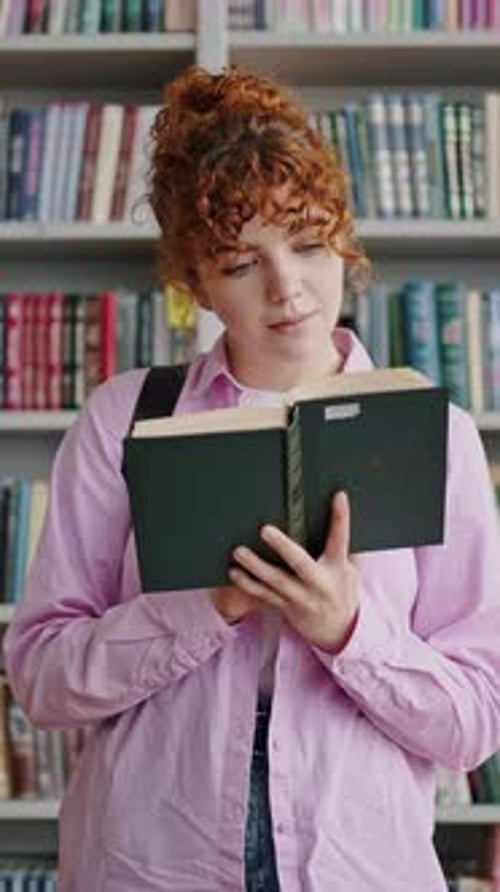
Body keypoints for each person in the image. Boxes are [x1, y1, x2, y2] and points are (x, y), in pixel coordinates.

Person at [4, 65, 500, 892]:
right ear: (195, 282)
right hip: (153, 862)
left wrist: (349, 631)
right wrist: (207, 608)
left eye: (307, 244)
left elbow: (476, 721)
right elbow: (43, 681)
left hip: (354, 867)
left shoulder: (431, 432)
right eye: (241, 263)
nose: (287, 289)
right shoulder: (126, 419)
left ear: (342, 237)